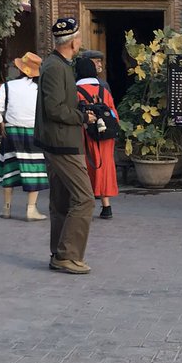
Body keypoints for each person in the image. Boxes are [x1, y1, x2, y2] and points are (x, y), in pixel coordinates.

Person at [34, 17, 95, 275]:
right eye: (79, 38)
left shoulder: (59, 65)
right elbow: (54, 108)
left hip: (59, 140)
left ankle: (58, 252)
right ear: (72, 42)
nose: (81, 42)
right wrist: (82, 116)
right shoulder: (56, 68)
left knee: (61, 201)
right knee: (85, 199)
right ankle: (67, 255)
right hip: (62, 143)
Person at [0, 51, 48, 221]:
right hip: (34, 132)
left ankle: (6, 208)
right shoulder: (41, 89)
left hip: (11, 132)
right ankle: (31, 209)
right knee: (34, 169)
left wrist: (0, 122)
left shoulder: (9, 86)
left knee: (9, 169)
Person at [75, 55, 119, 220]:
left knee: (87, 167)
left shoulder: (75, 91)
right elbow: (114, 113)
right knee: (105, 166)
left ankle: (86, 205)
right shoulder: (104, 90)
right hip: (106, 135)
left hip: (86, 135)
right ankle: (106, 206)